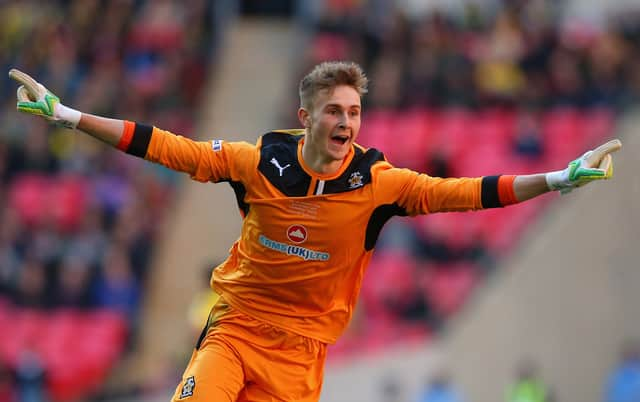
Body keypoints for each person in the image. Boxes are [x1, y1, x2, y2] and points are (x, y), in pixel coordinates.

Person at [8, 61, 617, 402]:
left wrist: (558, 177)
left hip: (299, 361)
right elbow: (168, 148)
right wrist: (67, 115)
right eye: (334, 110)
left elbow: (470, 194)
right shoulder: (257, 163)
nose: (346, 121)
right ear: (306, 118)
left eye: (354, 112)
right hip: (236, 331)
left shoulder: (380, 184)